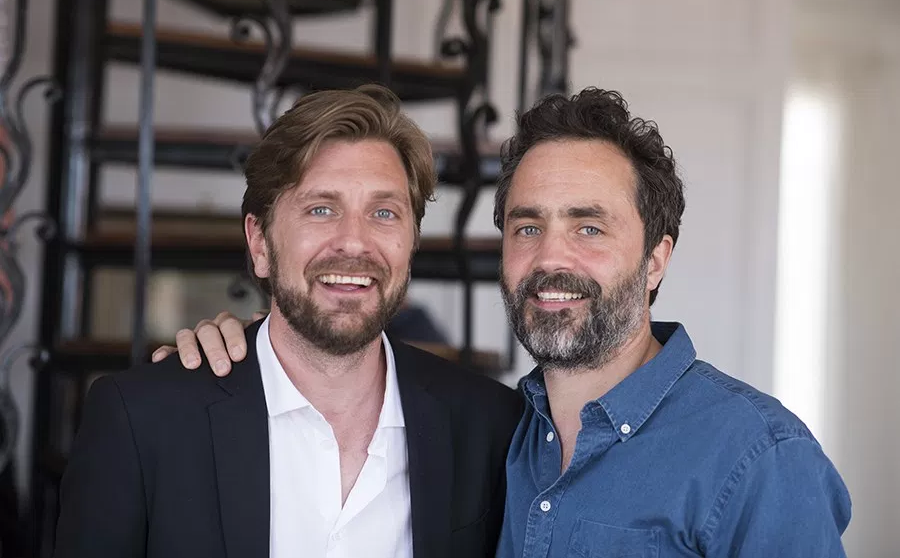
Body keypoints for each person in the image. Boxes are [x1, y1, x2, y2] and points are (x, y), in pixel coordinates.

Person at [161, 88, 852, 556]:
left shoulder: (760, 457)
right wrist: (261, 344)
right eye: (527, 226)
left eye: (589, 227)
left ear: (655, 259)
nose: (551, 257)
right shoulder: (500, 435)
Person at [53, 86, 523, 558]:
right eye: (321, 209)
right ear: (259, 243)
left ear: (411, 242)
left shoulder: (488, 426)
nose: (354, 242)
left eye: (384, 213)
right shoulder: (142, 419)